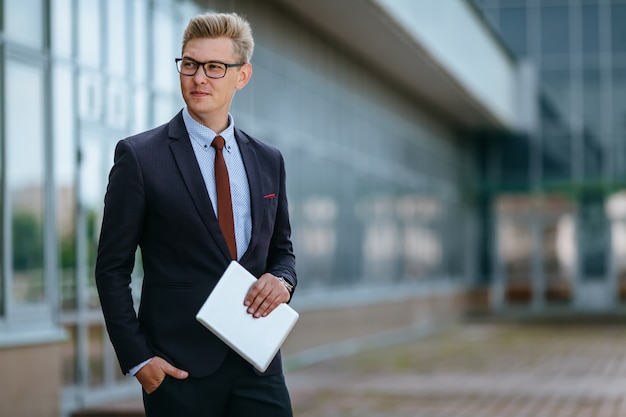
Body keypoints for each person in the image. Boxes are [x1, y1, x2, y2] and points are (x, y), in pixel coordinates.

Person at [95, 12, 297, 417]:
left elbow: (282, 250)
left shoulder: (267, 160)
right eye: (189, 64)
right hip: (177, 368)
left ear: (242, 76)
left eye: (214, 67)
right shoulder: (139, 157)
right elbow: (111, 268)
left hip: (258, 361)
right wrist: (139, 360)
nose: (198, 78)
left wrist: (283, 280)